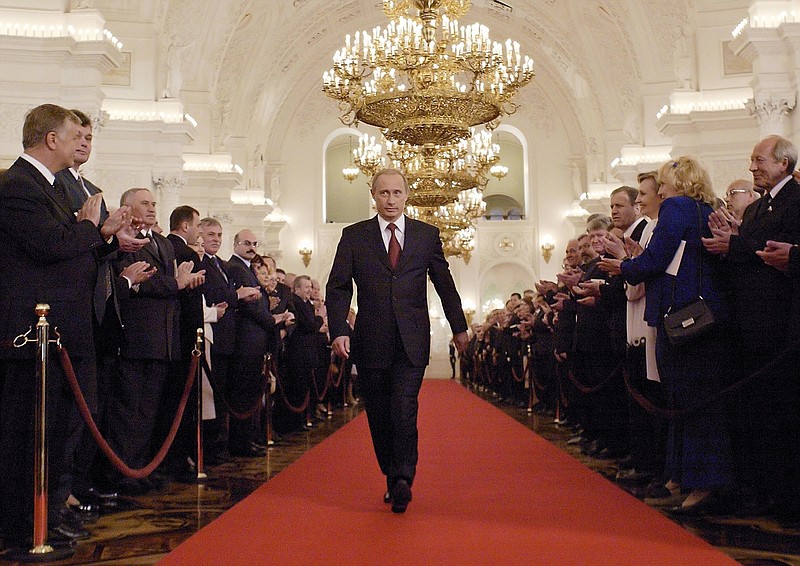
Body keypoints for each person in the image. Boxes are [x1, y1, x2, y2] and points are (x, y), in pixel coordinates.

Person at [326, 168, 469, 514]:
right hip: (371, 339)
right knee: (379, 413)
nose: (390, 200)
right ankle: (392, 475)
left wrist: (459, 327)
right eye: (384, 193)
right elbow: (338, 286)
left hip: (412, 340)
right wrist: (339, 330)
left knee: (404, 409)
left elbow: (444, 284)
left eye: (397, 193)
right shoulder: (354, 236)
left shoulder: (425, 235)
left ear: (407, 195)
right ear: (373, 196)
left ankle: (403, 477)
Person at [600, 157, 734, 513]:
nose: (658, 190)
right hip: (697, 315)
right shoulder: (703, 208)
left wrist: (625, 267)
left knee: (689, 402)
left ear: (679, 182)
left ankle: (702, 482)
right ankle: (681, 475)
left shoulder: (677, 207)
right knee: (685, 401)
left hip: (684, 319)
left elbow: (657, 259)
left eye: (662, 183)